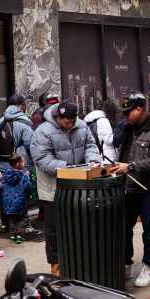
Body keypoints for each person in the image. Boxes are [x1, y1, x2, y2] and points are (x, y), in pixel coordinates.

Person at [29, 101, 100, 275]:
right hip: (53, 190)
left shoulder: (81, 126)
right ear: (57, 117)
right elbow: (42, 159)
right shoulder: (43, 131)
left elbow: (91, 145)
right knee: (54, 231)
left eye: (72, 121)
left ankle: (78, 264)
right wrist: (68, 167)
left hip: (79, 187)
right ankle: (57, 266)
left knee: (79, 227)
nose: (70, 125)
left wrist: (93, 160)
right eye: (66, 122)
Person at [114, 92, 150, 287]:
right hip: (127, 187)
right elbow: (119, 148)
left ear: (140, 109)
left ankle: (149, 265)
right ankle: (126, 262)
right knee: (125, 228)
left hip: (147, 188)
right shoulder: (128, 128)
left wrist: (130, 166)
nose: (126, 116)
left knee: (149, 229)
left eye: (130, 112)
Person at [0, 94, 35, 167]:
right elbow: (30, 145)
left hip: (1, 164)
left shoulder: (1, 120)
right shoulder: (25, 121)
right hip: (19, 166)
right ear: (22, 105)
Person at [2, 153, 31, 243]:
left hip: (8, 201)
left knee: (12, 218)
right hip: (20, 200)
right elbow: (27, 186)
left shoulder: (6, 173)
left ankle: (13, 234)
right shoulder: (23, 174)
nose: (24, 163)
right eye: (22, 161)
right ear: (18, 164)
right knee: (23, 218)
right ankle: (19, 234)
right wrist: (27, 176)